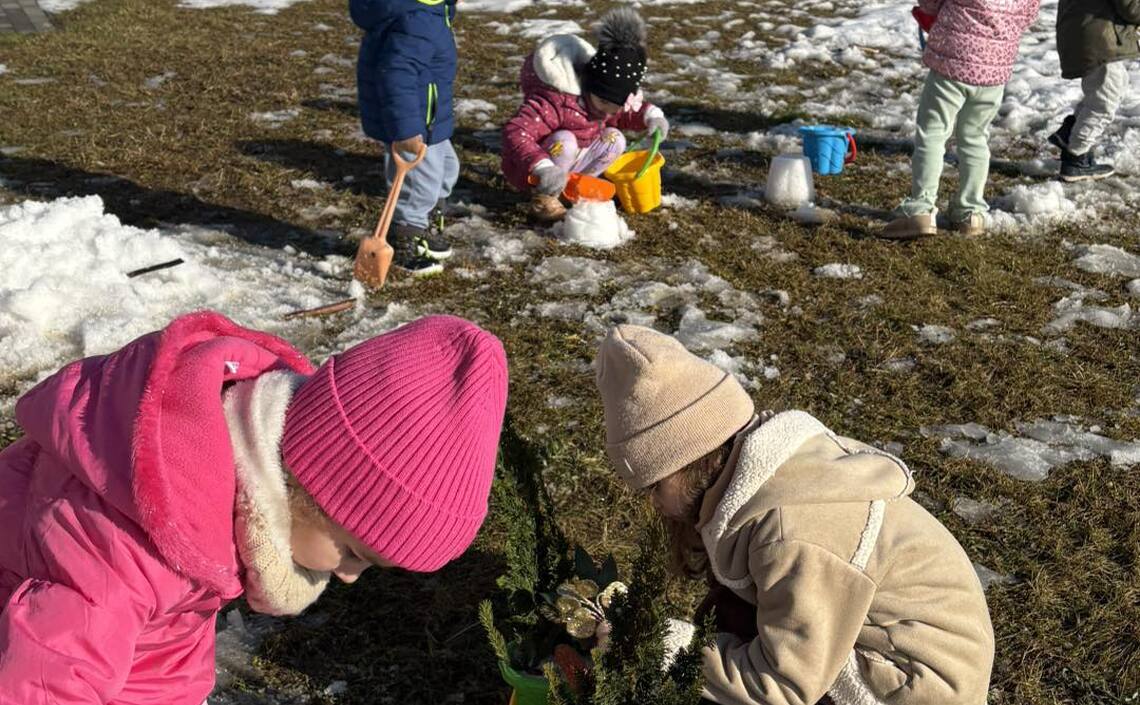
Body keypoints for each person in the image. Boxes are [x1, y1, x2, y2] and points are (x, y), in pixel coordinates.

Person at [0, 311, 508, 703]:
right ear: (310, 487)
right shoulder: (128, 546)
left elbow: (163, 642)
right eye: (355, 553)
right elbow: (45, 675)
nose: (351, 577)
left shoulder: (220, 508)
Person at [595, 324, 995, 705]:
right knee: (725, 617)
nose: (652, 504)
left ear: (689, 461)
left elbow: (781, 685)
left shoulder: (790, 535)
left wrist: (661, 645)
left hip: (918, 685)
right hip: (904, 647)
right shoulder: (764, 474)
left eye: (654, 487)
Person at [883, 0, 1040, 240]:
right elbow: (1027, 16)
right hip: (994, 68)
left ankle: (920, 209)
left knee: (933, 133)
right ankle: (970, 211)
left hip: (953, 61)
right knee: (975, 137)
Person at [501, 8, 670, 222]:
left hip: (578, 161)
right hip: (543, 168)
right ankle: (544, 197)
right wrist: (543, 167)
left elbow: (625, 116)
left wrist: (650, 117)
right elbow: (516, 131)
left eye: (615, 107)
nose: (605, 111)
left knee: (615, 138)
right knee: (566, 140)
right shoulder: (558, 100)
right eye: (602, 102)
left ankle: (577, 189)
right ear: (589, 87)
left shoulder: (609, 105)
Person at [352, 0, 460, 276]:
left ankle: (427, 219)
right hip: (413, 122)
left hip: (429, 116)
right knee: (420, 183)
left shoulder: (433, 12)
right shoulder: (417, 20)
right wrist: (406, 130)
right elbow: (396, 76)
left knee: (447, 169)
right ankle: (408, 235)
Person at [1048, 0, 1139, 181]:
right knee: (1104, 100)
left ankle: (1069, 134)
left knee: (1113, 86)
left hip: (1085, 31)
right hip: (1098, 37)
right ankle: (1076, 158)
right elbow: (1131, 7)